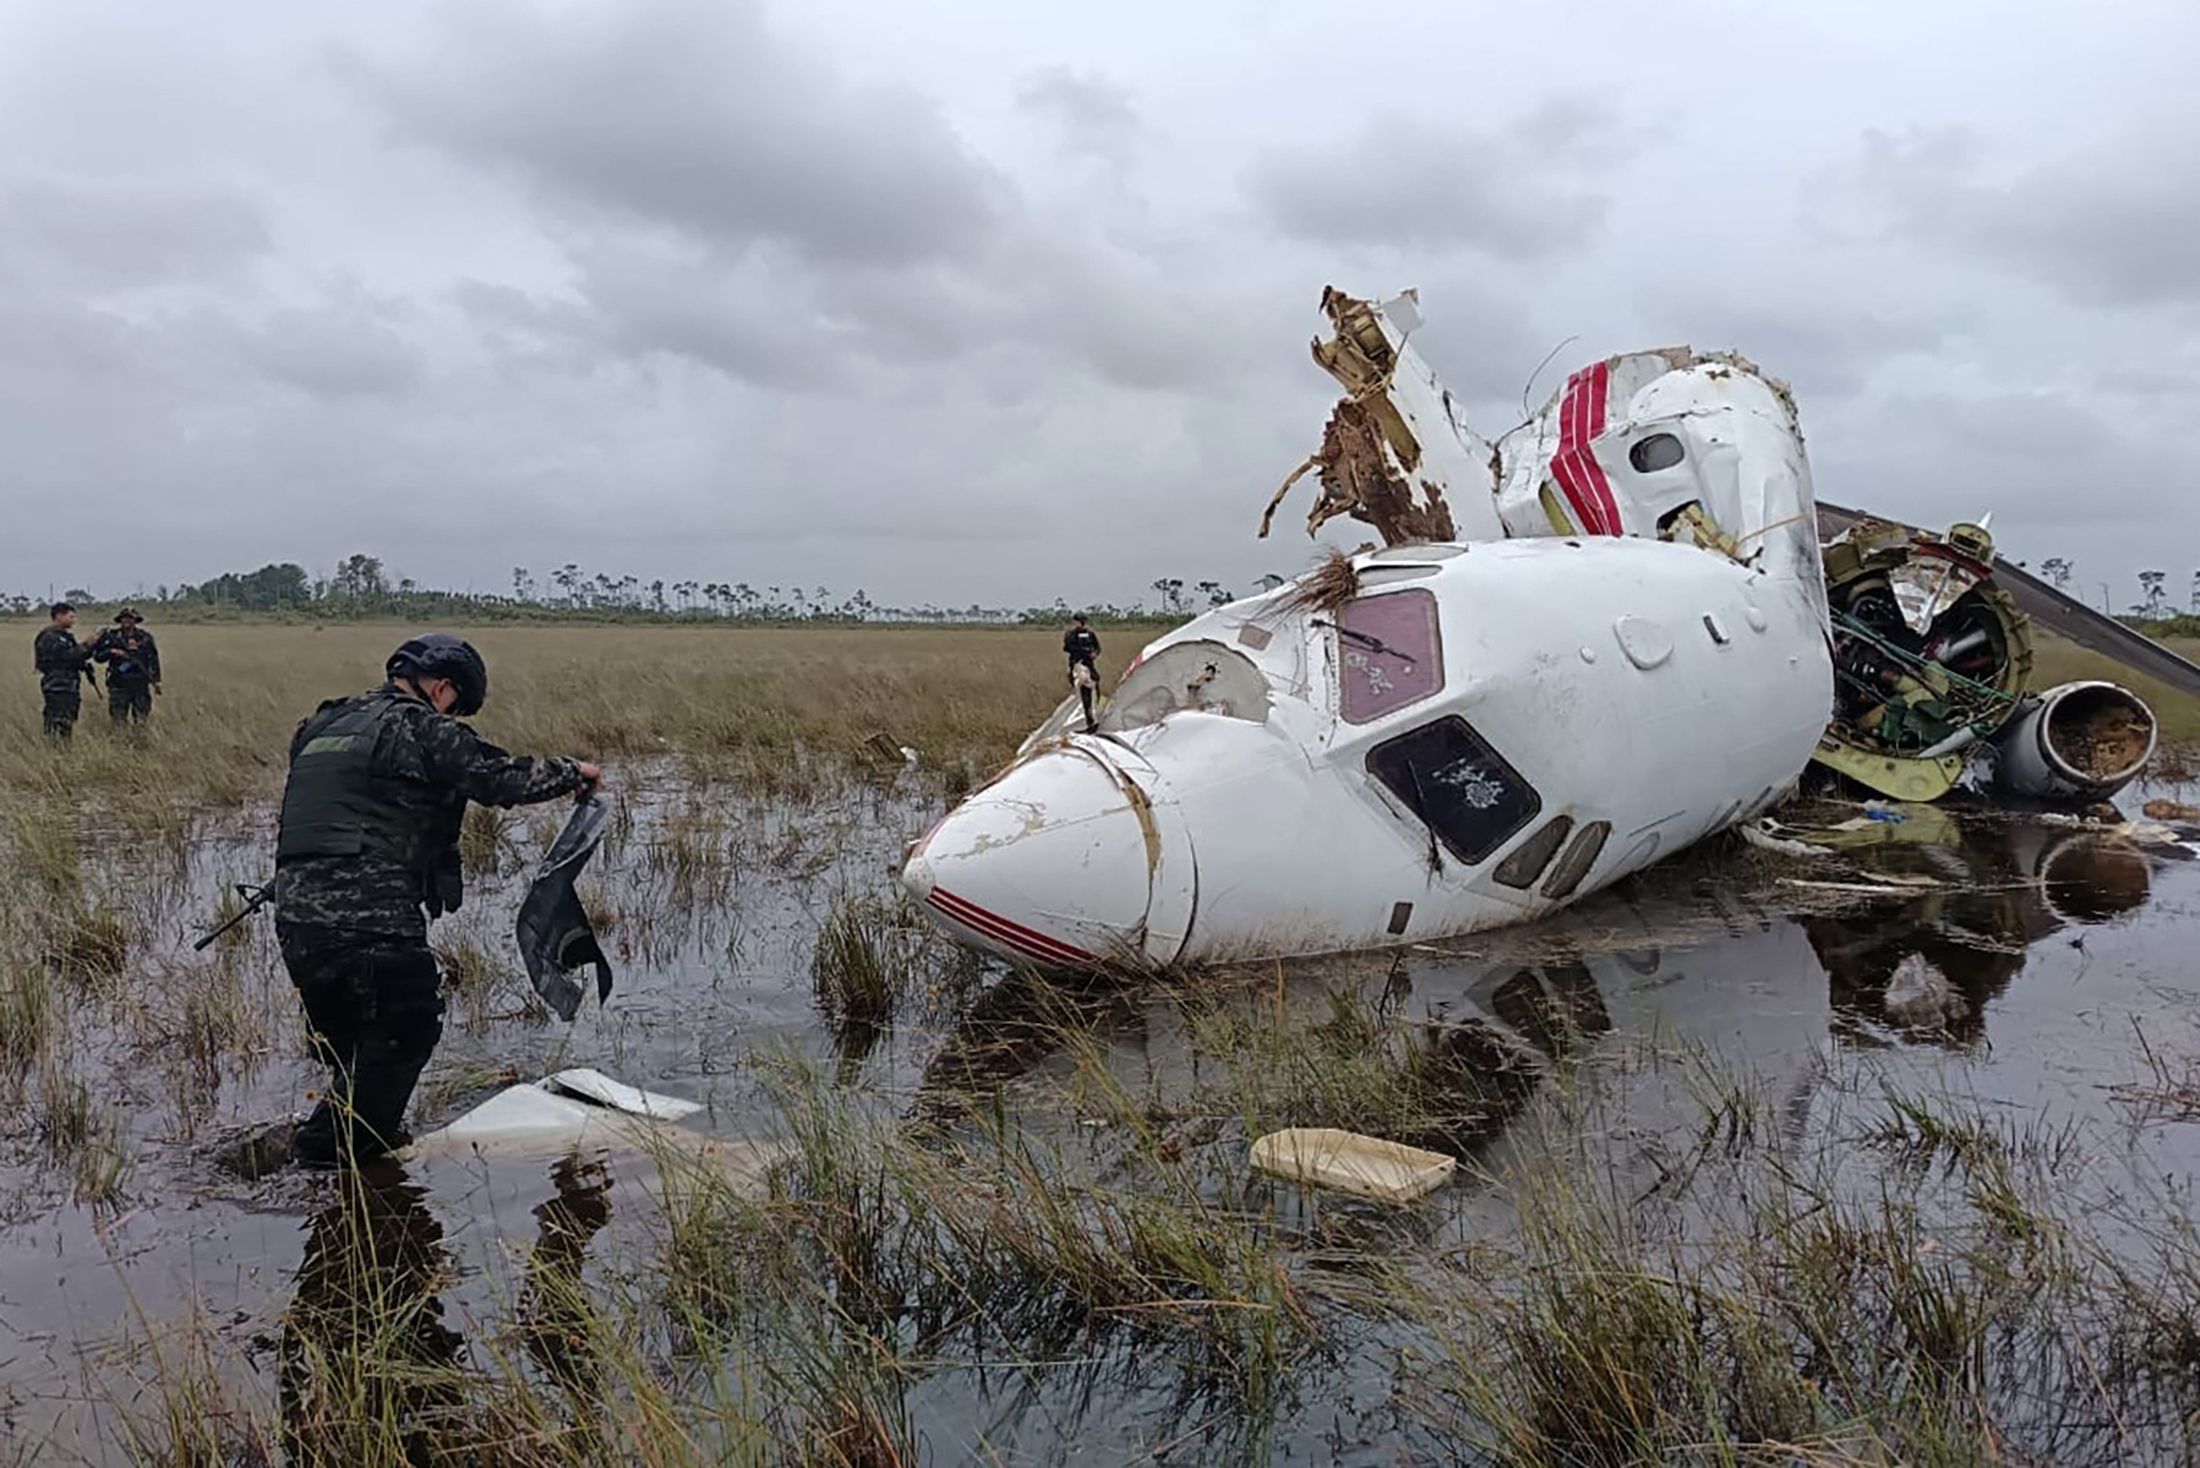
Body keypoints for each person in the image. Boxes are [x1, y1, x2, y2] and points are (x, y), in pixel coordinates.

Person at [273, 633, 602, 1168]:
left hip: (297, 923)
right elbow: (497, 778)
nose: (455, 714)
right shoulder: (419, 726)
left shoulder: (319, 726)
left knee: (355, 1054)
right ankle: (323, 1171)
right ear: (443, 688)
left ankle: (363, 1171)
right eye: (459, 706)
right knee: (405, 1030)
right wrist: (573, 772)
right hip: (370, 920)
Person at [32, 602, 97, 740]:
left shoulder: (64, 636)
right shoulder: (50, 637)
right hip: (57, 685)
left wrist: (92, 647)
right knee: (58, 721)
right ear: (59, 616)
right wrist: (86, 644)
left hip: (67, 684)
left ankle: (62, 748)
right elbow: (67, 657)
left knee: (67, 721)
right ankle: (55, 749)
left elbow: (76, 657)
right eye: (71, 617)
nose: (73, 620)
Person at [91, 607, 161, 726]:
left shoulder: (145, 637)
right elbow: (98, 657)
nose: (127, 621)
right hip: (119, 684)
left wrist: (157, 680)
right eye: (124, 618)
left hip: (140, 683)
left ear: (136, 620)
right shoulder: (111, 637)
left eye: (131, 618)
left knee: (141, 719)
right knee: (118, 720)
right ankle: (120, 742)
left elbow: (153, 659)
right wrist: (112, 652)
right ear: (120, 620)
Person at [1063, 613, 1103, 732]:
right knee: (1083, 694)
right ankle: (1087, 721)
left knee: (1095, 687)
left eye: (1080, 621)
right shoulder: (1070, 634)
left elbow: (1097, 648)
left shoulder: (1090, 634)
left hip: (1089, 665)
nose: (1078, 623)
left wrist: (1094, 654)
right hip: (1077, 665)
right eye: (1076, 621)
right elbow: (1067, 647)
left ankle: (1095, 718)